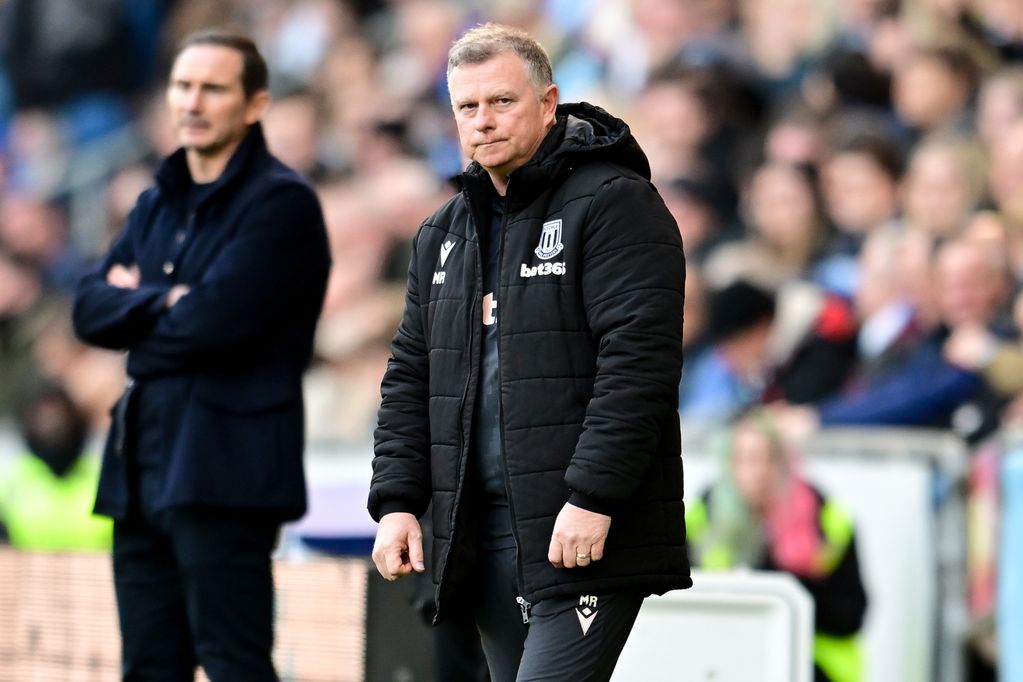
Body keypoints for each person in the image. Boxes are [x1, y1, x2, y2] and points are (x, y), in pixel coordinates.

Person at [368, 23, 689, 682]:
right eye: (467, 107)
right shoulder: (444, 231)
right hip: (476, 535)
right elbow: (410, 375)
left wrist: (593, 498)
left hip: (578, 528)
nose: (483, 121)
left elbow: (638, 362)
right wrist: (397, 500)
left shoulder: (613, 203)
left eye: (501, 102)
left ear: (548, 103)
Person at [71, 29, 330, 682]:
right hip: (139, 466)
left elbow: (213, 323)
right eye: (182, 86)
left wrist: (145, 304)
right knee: (148, 667)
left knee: (234, 664)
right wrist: (170, 301)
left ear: (254, 104)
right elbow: (87, 310)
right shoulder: (155, 201)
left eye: (212, 88)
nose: (192, 101)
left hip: (226, 467)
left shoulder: (281, 203)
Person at [685, 410, 868, 682]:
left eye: (768, 459)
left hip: (812, 665)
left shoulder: (827, 519)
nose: (758, 472)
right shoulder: (701, 516)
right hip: (722, 660)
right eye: (745, 460)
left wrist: (790, 581)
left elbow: (850, 615)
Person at [0, 381, 111, 551]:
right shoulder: (11, 478)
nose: (53, 425)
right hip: (24, 574)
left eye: (59, 417)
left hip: (97, 574)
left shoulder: (102, 472)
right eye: (43, 418)